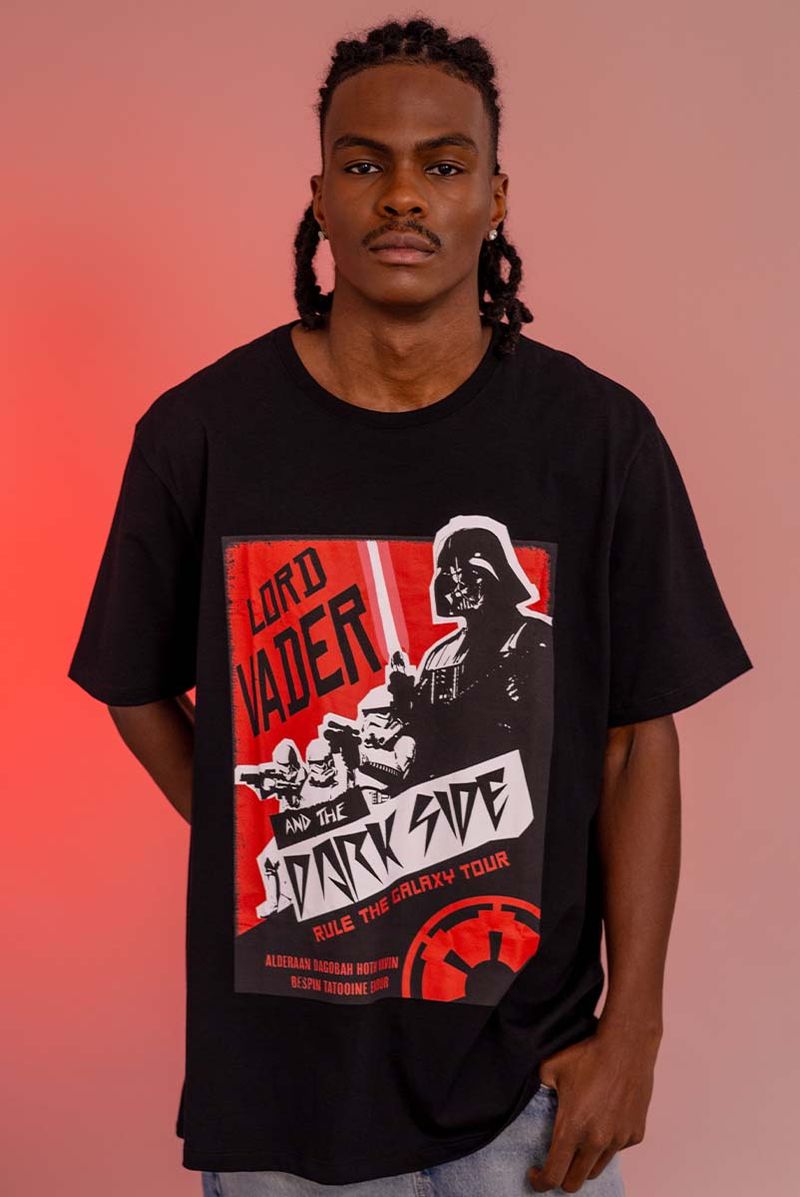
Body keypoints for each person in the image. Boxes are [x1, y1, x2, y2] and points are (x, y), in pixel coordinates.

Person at [67, 15, 754, 1197]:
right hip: (282, 1097)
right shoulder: (202, 433)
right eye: (362, 163)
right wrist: (273, 831)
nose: (401, 196)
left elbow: (639, 741)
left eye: (442, 164)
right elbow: (131, 685)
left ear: (494, 198)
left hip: (528, 1081)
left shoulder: (595, 439)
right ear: (319, 198)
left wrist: (632, 1031)